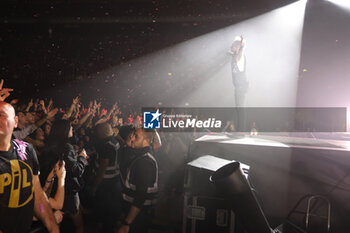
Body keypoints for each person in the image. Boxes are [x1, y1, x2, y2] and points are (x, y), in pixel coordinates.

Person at [0, 101, 59, 233]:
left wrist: (51, 225)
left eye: (1, 115)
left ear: (15, 122)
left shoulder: (26, 149)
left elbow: (37, 194)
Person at [39, 119, 88, 233]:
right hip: (68, 191)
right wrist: (81, 157)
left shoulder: (49, 145)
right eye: (70, 127)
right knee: (79, 224)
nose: (72, 129)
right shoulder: (66, 147)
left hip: (53, 190)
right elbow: (76, 170)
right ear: (65, 130)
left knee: (57, 221)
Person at [118, 128, 158, 233]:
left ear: (146, 141)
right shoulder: (140, 157)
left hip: (138, 215)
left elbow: (141, 196)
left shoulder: (145, 162)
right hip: (135, 212)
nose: (131, 138)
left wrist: (127, 223)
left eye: (136, 136)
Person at [92, 122, 122, 233]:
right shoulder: (115, 141)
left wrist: (95, 185)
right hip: (115, 179)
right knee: (111, 208)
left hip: (106, 181)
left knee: (105, 209)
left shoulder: (106, 144)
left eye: (98, 131)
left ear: (102, 132)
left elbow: (103, 166)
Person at [228, 36, 248, 131]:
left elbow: (238, 56)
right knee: (238, 107)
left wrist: (242, 45)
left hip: (241, 85)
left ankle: (241, 130)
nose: (232, 47)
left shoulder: (240, 55)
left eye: (234, 46)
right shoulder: (235, 55)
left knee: (240, 107)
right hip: (238, 85)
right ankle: (238, 129)